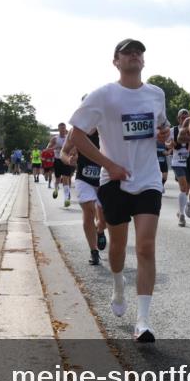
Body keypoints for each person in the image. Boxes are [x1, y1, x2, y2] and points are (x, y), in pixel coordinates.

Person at [67, 38, 170, 342]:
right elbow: (77, 135)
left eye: (139, 51)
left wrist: (165, 135)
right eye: (127, 52)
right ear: (116, 61)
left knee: (146, 246)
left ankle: (144, 321)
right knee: (117, 248)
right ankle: (117, 285)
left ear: (143, 61)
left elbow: (162, 128)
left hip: (149, 179)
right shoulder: (103, 95)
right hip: (114, 181)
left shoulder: (156, 94)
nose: (134, 55)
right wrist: (108, 164)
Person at [62, 104, 108, 266]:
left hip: (105, 179)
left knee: (104, 219)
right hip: (83, 179)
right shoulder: (75, 131)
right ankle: (93, 251)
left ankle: (100, 229)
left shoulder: (106, 128)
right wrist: (69, 160)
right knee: (89, 209)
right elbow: (63, 152)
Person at [168, 109, 190, 227]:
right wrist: (170, 145)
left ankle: (180, 209)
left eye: (186, 117)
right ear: (178, 119)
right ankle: (182, 216)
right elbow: (167, 143)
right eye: (182, 117)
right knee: (183, 187)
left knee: (187, 189)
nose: (184, 119)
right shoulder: (173, 130)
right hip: (177, 162)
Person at [51, 123, 74, 204]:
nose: (63, 130)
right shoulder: (55, 139)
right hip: (57, 160)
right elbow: (48, 149)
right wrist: (56, 147)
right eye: (61, 128)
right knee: (57, 178)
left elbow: (74, 148)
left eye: (64, 128)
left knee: (65, 178)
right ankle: (56, 189)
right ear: (58, 129)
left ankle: (66, 198)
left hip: (66, 160)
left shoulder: (69, 138)